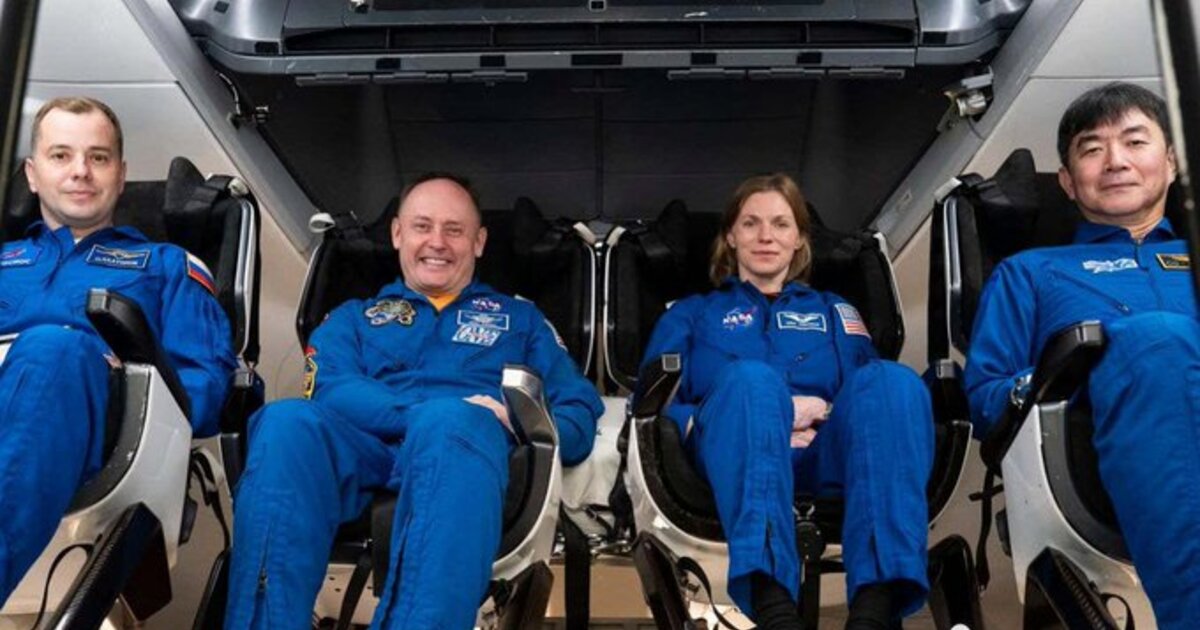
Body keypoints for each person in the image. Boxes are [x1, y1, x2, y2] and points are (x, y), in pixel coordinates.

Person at [224, 173, 603, 629]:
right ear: (398, 234)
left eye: (454, 230)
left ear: (479, 242)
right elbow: (331, 389)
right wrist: (421, 413)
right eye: (422, 226)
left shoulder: (522, 320)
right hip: (365, 448)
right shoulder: (351, 318)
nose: (437, 242)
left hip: (463, 453)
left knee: (452, 423)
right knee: (285, 422)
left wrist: (514, 420)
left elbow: (578, 414)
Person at [641, 173, 933, 630]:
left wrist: (819, 413)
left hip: (820, 452)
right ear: (730, 236)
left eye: (780, 224)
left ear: (798, 239)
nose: (765, 236)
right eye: (751, 223)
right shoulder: (691, 314)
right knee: (751, 382)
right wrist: (766, 417)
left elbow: (870, 401)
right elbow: (651, 404)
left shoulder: (835, 311)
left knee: (893, 382)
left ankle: (874, 612)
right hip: (729, 454)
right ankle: (774, 610)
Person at [964, 82, 1200, 628]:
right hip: (1105, 456)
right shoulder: (1030, 272)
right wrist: (1059, 374)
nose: (1115, 161)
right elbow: (986, 398)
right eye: (1093, 149)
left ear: (1171, 163)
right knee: (1153, 339)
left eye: (1134, 141)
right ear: (1068, 183)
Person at [0, 96, 236, 598]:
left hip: (92, 429)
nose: (80, 171)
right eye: (61, 155)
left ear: (121, 174)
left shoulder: (168, 265)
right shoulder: (5, 259)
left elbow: (202, 392)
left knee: (55, 350)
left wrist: (120, 375)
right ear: (32, 174)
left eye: (99, 157)